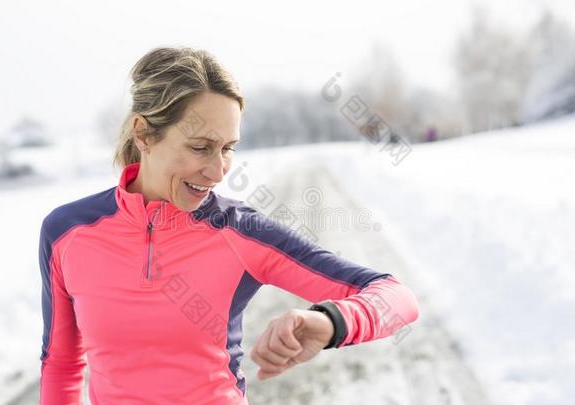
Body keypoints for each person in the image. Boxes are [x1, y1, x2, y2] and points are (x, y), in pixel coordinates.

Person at [38, 46, 420, 404]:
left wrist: (329, 322)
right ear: (143, 134)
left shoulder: (240, 232)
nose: (218, 170)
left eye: (228, 148)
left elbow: (396, 299)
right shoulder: (67, 233)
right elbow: (61, 364)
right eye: (201, 147)